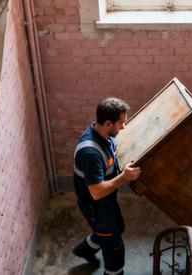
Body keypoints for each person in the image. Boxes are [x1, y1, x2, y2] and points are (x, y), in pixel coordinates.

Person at [71, 97, 141, 275]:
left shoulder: (103, 133)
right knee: (114, 249)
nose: (124, 127)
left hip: (106, 202)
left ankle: (84, 249)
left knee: (118, 227)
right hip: (97, 206)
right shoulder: (91, 153)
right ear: (108, 123)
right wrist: (124, 177)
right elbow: (96, 192)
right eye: (121, 123)